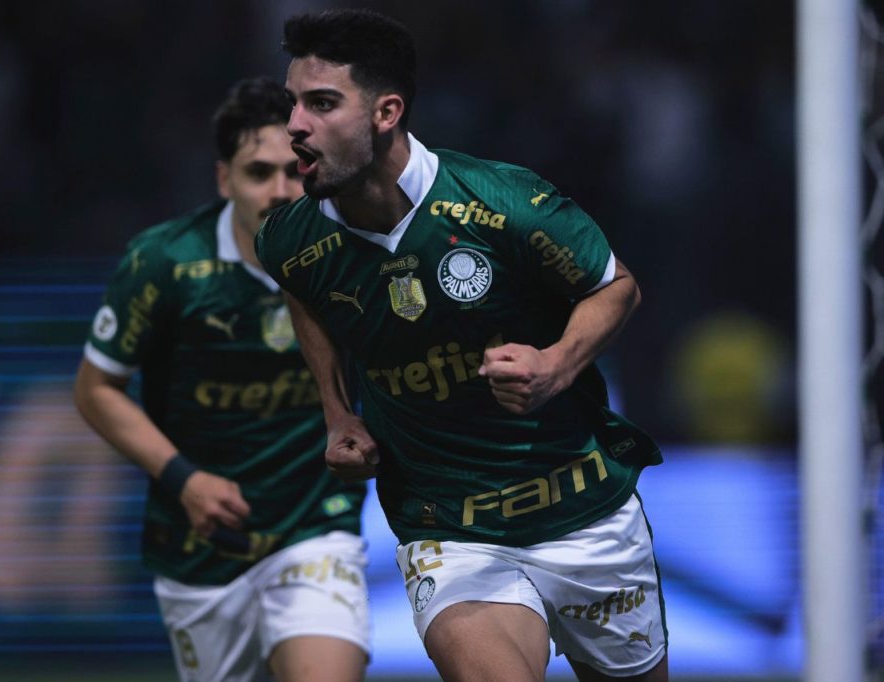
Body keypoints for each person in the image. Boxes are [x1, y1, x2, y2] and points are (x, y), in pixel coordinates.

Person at [255, 9, 669, 681]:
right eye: (292, 103)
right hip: (447, 524)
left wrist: (555, 365)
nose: (295, 125)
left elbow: (616, 287)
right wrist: (336, 411)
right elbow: (303, 293)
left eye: (321, 104)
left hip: (584, 511)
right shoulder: (291, 240)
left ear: (386, 112)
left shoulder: (504, 204)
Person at [74, 76, 370, 682]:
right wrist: (185, 480)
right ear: (223, 180)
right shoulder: (165, 262)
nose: (280, 191)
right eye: (259, 173)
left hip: (314, 526)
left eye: (295, 170)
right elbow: (95, 390)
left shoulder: (351, 252)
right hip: (198, 544)